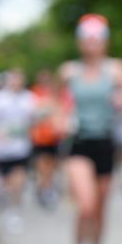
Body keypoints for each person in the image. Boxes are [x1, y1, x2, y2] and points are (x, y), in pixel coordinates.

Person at [58, 13, 122, 244]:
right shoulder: (69, 71)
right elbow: (57, 105)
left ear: (105, 42)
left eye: (97, 38)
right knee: (86, 206)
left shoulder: (117, 70)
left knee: (100, 211)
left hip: (106, 144)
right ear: (80, 42)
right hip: (79, 143)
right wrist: (59, 119)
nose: (92, 43)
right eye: (87, 38)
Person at [0, 69, 36, 233]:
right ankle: (3, 197)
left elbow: (34, 119)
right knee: (7, 182)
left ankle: (14, 212)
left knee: (19, 180)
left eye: (19, 79)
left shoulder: (29, 98)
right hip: (2, 149)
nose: (16, 83)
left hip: (22, 148)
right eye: (13, 79)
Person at [30, 69, 70, 209]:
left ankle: (45, 187)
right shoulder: (35, 93)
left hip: (54, 137)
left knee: (51, 165)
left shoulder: (58, 94)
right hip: (40, 137)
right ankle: (45, 188)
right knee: (42, 165)